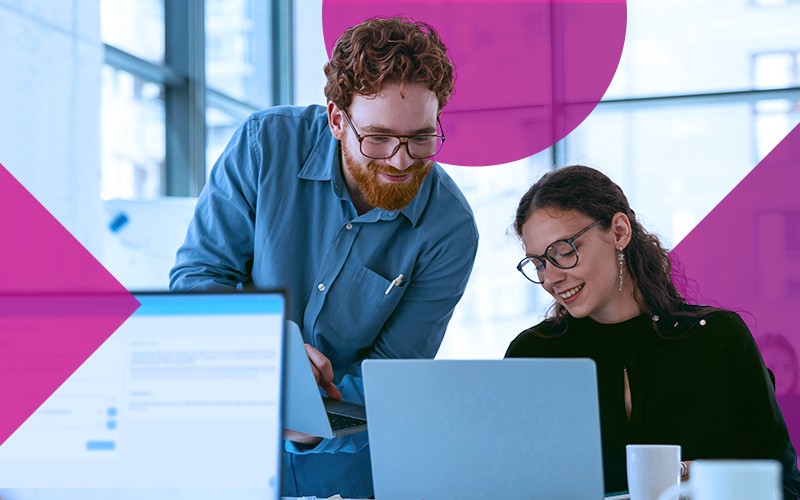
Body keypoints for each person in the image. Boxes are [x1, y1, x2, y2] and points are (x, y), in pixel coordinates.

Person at [169, 17, 478, 498]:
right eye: (378, 138)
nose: (401, 161)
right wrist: (269, 352)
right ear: (337, 119)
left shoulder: (450, 229)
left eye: (420, 138)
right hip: (226, 434)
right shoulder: (264, 146)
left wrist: (312, 418)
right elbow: (197, 279)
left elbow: (394, 372)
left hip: (349, 462)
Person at [504, 165, 800, 498]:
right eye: (539, 262)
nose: (549, 278)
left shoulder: (718, 339)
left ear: (618, 231)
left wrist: (700, 476)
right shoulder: (533, 355)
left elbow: (784, 483)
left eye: (563, 252)